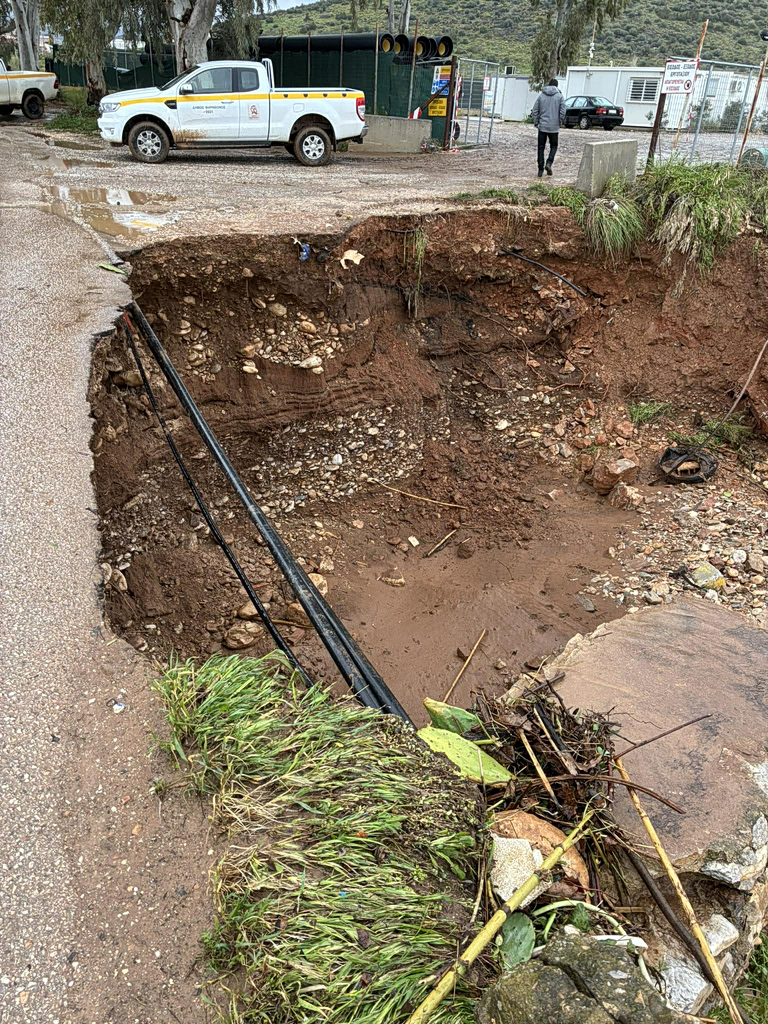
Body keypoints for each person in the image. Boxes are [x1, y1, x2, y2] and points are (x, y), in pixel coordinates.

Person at [531, 78, 566, 177]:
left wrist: (536, 122)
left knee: (541, 148)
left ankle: (540, 170)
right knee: (553, 146)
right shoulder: (560, 96)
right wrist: (559, 122)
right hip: (554, 127)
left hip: (542, 126)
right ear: (556, 86)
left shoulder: (541, 96)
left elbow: (535, 110)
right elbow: (563, 111)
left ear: (548, 85)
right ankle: (549, 163)